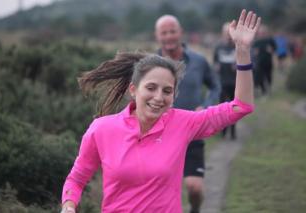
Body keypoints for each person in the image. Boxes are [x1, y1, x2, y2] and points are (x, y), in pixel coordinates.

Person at [60, 10, 260, 213]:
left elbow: (241, 106)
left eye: (167, 91)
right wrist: (68, 206)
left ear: (174, 96)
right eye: (150, 88)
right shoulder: (102, 129)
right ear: (133, 90)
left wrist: (242, 51)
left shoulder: (184, 123)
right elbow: (76, 178)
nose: (158, 97)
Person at [154, 15, 221, 213]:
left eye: (172, 31)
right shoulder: (150, 65)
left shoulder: (199, 61)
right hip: (159, 136)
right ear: (157, 36)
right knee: (160, 194)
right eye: (164, 33)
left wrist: (207, 106)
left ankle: (194, 209)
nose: (169, 36)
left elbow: (215, 86)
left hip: (192, 133)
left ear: (180, 32)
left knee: (194, 187)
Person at [213, 22, 237, 140]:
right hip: (222, 82)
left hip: (235, 83)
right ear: (222, 33)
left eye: (230, 32)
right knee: (222, 109)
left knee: (234, 109)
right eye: (226, 32)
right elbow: (215, 62)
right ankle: (223, 133)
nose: (228, 35)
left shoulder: (238, 47)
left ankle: (233, 132)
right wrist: (216, 67)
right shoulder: (218, 47)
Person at [252, 25, 276, 95]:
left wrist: (271, 50)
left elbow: (275, 47)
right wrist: (255, 52)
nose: (261, 34)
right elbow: (253, 50)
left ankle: (269, 88)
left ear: (266, 33)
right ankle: (263, 91)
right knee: (260, 76)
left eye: (263, 32)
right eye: (260, 32)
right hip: (259, 62)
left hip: (268, 61)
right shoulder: (257, 41)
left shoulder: (270, 40)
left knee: (268, 75)